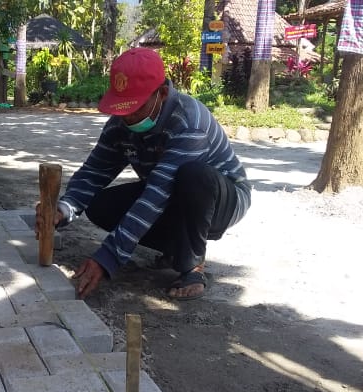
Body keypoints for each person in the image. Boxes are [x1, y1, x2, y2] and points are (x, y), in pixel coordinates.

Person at [36, 47, 251, 301]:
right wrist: (63, 209)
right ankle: (176, 248)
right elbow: (95, 170)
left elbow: (157, 193)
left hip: (222, 198)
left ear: (162, 94)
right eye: (122, 108)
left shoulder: (189, 122)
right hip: (168, 191)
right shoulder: (121, 122)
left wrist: (109, 257)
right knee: (100, 206)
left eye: (136, 108)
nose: (127, 117)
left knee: (193, 176)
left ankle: (192, 267)